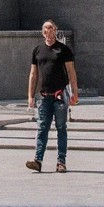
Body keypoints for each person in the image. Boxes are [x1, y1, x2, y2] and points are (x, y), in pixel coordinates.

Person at [25, 19, 78, 174]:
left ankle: (61, 162)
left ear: (55, 31)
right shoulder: (37, 50)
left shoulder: (63, 50)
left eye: (52, 28)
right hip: (44, 96)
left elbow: (71, 72)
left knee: (61, 128)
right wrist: (30, 96)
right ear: (43, 32)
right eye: (47, 28)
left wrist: (74, 92)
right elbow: (33, 74)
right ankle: (38, 160)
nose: (50, 31)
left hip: (60, 95)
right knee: (42, 128)